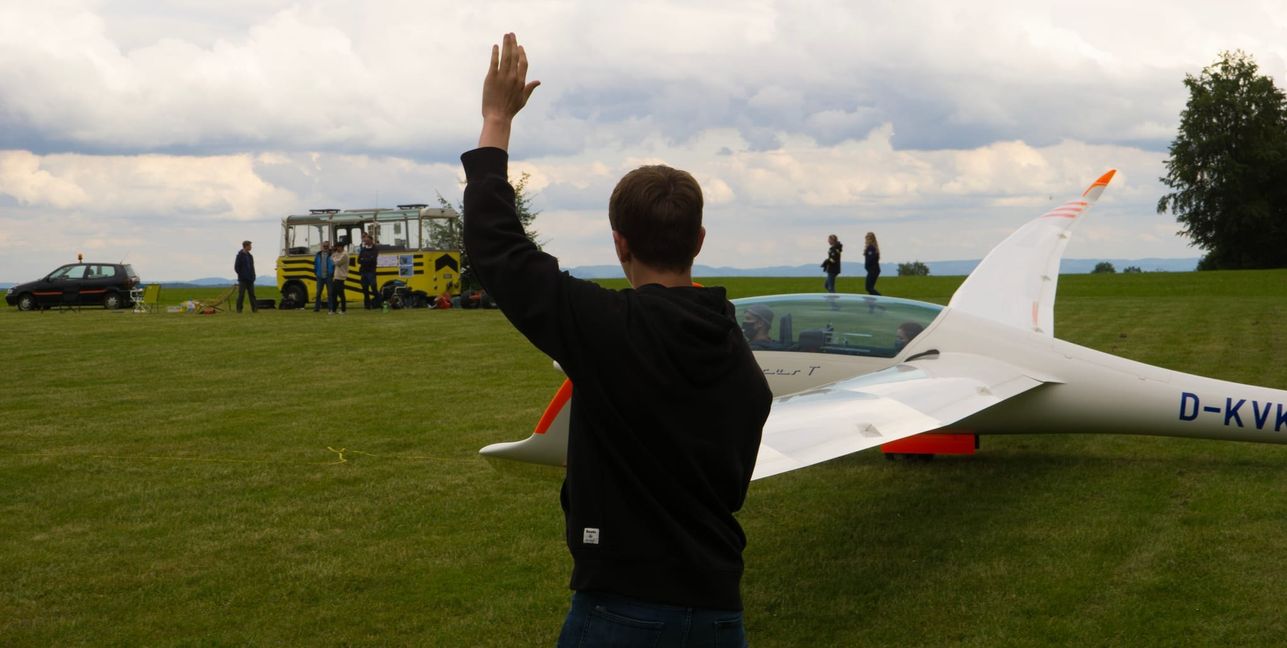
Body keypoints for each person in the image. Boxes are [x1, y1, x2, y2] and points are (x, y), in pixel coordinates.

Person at [461, 33, 770, 648]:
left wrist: (496, 120)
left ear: (619, 243)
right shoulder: (739, 357)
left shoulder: (607, 329)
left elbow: (499, 248)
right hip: (717, 615)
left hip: (619, 614)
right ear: (699, 241)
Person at [358, 232, 381, 310]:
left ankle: (379, 302)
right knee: (365, 289)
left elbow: (372, 260)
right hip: (363, 272)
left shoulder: (375, 249)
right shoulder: (363, 249)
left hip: (371, 272)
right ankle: (367, 305)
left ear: (371, 240)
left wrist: (364, 260)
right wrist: (366, 260)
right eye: (365, 240)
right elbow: (359, 260)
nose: (366, 242)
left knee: (374, 288)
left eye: (367, 240)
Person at [234, 240, 258, 313]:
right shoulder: (239, 256)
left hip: (250, 279)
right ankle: (239, 309)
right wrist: (241, 275)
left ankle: (254, 309)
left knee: (252, 295)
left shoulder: (250, 256)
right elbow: (236, 267)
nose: (251, 247)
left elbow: (252, 267)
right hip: (243, 279)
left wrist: (253, 276)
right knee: (241, 295)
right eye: (250, 246)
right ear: (246, 246)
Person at [313, 241, 334, 312]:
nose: (325, 248)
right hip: (320, 276)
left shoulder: (332, 254)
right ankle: (316, 308)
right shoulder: (318, 254)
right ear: (322, 247)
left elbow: (334, 264)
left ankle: (330, 308)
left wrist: (332, 273)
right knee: (318, 293)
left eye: (327, 246)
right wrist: (316, 272)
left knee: (330, 293)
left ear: (329, 247)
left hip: (328, 276)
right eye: (324, 246)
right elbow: (315, 264)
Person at [329, 241, 349, 314]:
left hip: (341, 276)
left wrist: (333, 257)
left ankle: (343, 310)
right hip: (336, 276)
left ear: (341, 247)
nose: (336, 248)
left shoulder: (345, 255)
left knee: (341, 294)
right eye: (336, 247)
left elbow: (337, 263)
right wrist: (333, 254)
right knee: (334, 293)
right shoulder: (337, 253)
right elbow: (332, 258)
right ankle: (334, 310)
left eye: (338, 247)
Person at [863, 231, 881, 296]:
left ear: (871, 239)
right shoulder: (872, 248)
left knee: (869, 288)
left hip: (873, 270)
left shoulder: (871, 248)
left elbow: (871, 259)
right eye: (867, 238)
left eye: (868, 239)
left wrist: (867, 265)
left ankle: (880, 298)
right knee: (869, 288)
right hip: (872, 270)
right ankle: (872, 304)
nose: (867, 240)